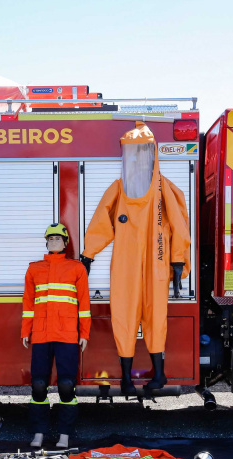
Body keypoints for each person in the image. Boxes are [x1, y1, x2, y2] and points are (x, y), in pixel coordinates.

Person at [80, 122, 190, 396]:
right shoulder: (119, 189)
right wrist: (88, 254)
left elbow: (180, 226)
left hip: (157, 262)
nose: (138, 159)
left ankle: (159, 374)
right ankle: (127, 378)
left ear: (152, 154)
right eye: (133, 153)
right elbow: (100, 222)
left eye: (143, 153)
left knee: (155, 317)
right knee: (125, 316)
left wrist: (178, 262)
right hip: (127, 266)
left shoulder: (165, 190)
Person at [21, 223, 91, 449]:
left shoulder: (77, 268)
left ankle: (64, 435)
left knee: (66, 385)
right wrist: (26, 330)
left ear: (65, 243)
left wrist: (85, 333)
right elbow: (28, 304)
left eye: (57, 239)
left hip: (68, 335)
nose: (53, 242)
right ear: (46, 243)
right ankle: (39, 433)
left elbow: (84, 305)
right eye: (50, 239)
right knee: (39, 385)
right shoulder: (34, 269)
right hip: (41, 335)